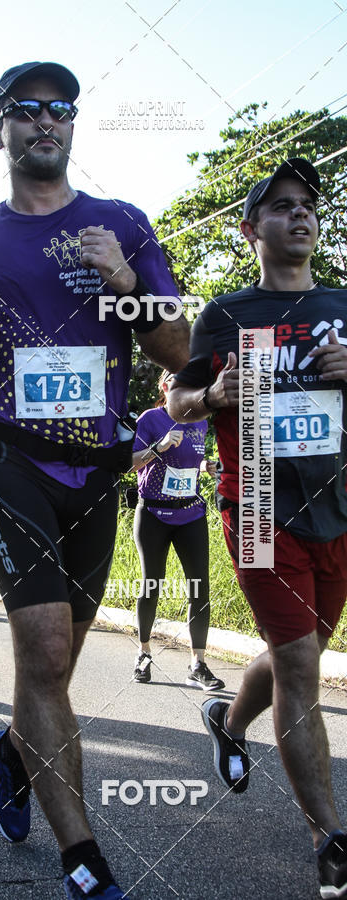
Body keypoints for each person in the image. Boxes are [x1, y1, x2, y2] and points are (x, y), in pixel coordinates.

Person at [0, 61, 189, 899]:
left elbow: (183, 358)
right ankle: (85, 860)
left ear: (73, 125)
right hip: (8, 460)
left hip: (97, 473)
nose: (47, 121)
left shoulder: (124, 225)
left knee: (57, 669)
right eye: (27, 109)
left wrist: (128, 287)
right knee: (41, 652)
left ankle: (10, 748)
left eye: (61, 108)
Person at [167, 158, 347, 898]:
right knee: (300, 666)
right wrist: (213, 391)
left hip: (339, 507)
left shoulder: (344, 302)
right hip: (262, 506)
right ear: (252, 229)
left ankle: (229, 723)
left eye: (309, 205)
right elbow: (175, 404)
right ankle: (330, 840)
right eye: (280, 207)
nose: (300, 215)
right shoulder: (226, 314)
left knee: (293, 654)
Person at [131, 370, 224, 690]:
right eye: (173, 379)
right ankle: (143, 654)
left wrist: (205, 466)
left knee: (199, 587)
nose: (179, 385)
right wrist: (158, 447)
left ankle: (198, 664)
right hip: (154, 513)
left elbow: (191, 460)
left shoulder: (200, 421)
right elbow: (130, 464)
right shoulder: (150, 419)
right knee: (151, 585)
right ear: (164, 386)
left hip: (191, 513)